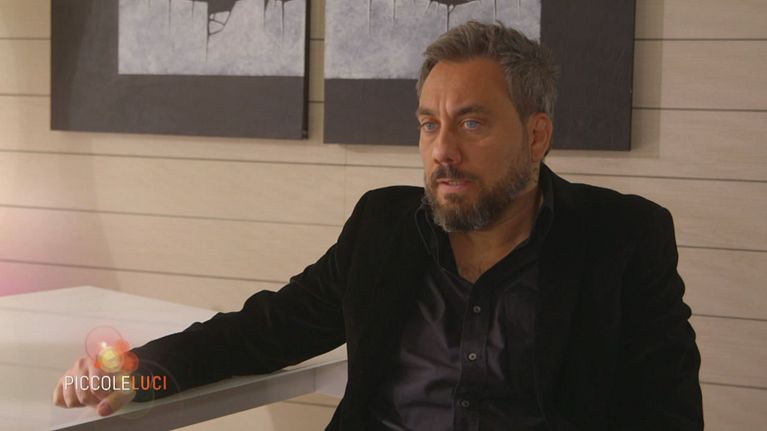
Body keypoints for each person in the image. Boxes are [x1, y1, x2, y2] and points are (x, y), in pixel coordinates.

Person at [53, 21, 703, 430]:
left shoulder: (622, 239)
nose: (442, 150)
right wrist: (138, 369)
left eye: (472, 122)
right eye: (428, 124)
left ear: (535, 136)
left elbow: (667, 415)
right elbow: (263, 331)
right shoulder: (383, 226)